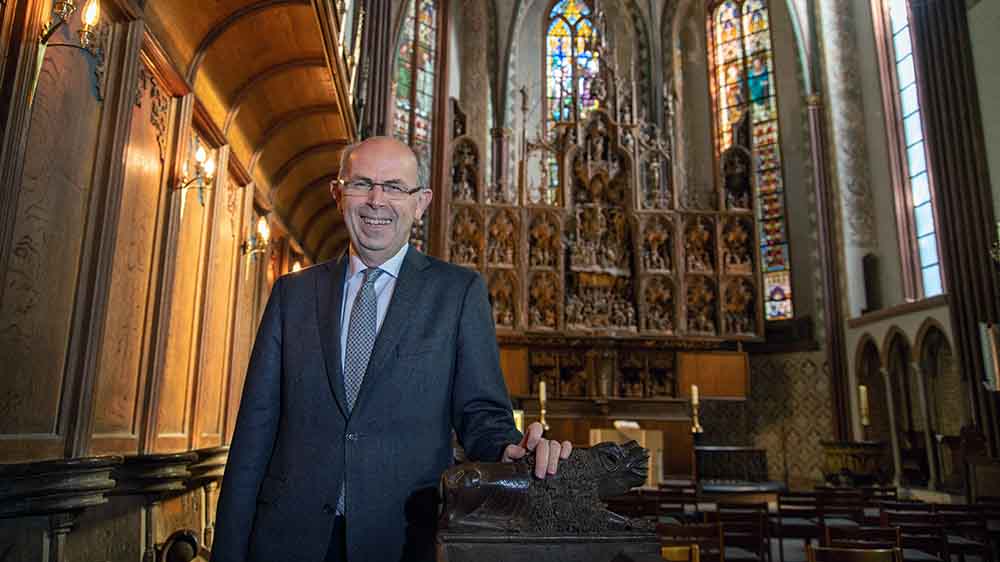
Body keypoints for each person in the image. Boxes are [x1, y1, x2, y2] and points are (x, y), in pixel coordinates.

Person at [212, 137, 571, 562]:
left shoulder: (457, 294)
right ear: (338, 194)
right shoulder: (292, 294)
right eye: (361, 183)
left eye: (395, 187)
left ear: (421, 203)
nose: (376, 200)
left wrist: (508, 449)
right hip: (287, 539)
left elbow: (482, 414)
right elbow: (254, 434)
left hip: (401, 539)